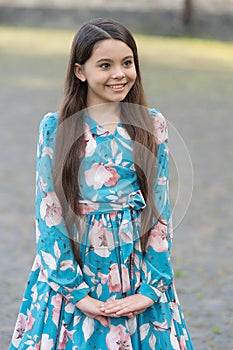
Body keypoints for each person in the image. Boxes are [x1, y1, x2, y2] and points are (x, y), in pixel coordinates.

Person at [10, 18, 194, 349]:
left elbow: (159, 209)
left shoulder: (151, 124)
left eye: (127, 63)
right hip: (77, 265)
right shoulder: (56, 127)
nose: (119, 74)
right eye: (105, 65)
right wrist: (75, 292)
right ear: (80, 71)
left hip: (131, 267)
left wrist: (152, 287)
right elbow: (49, 211)